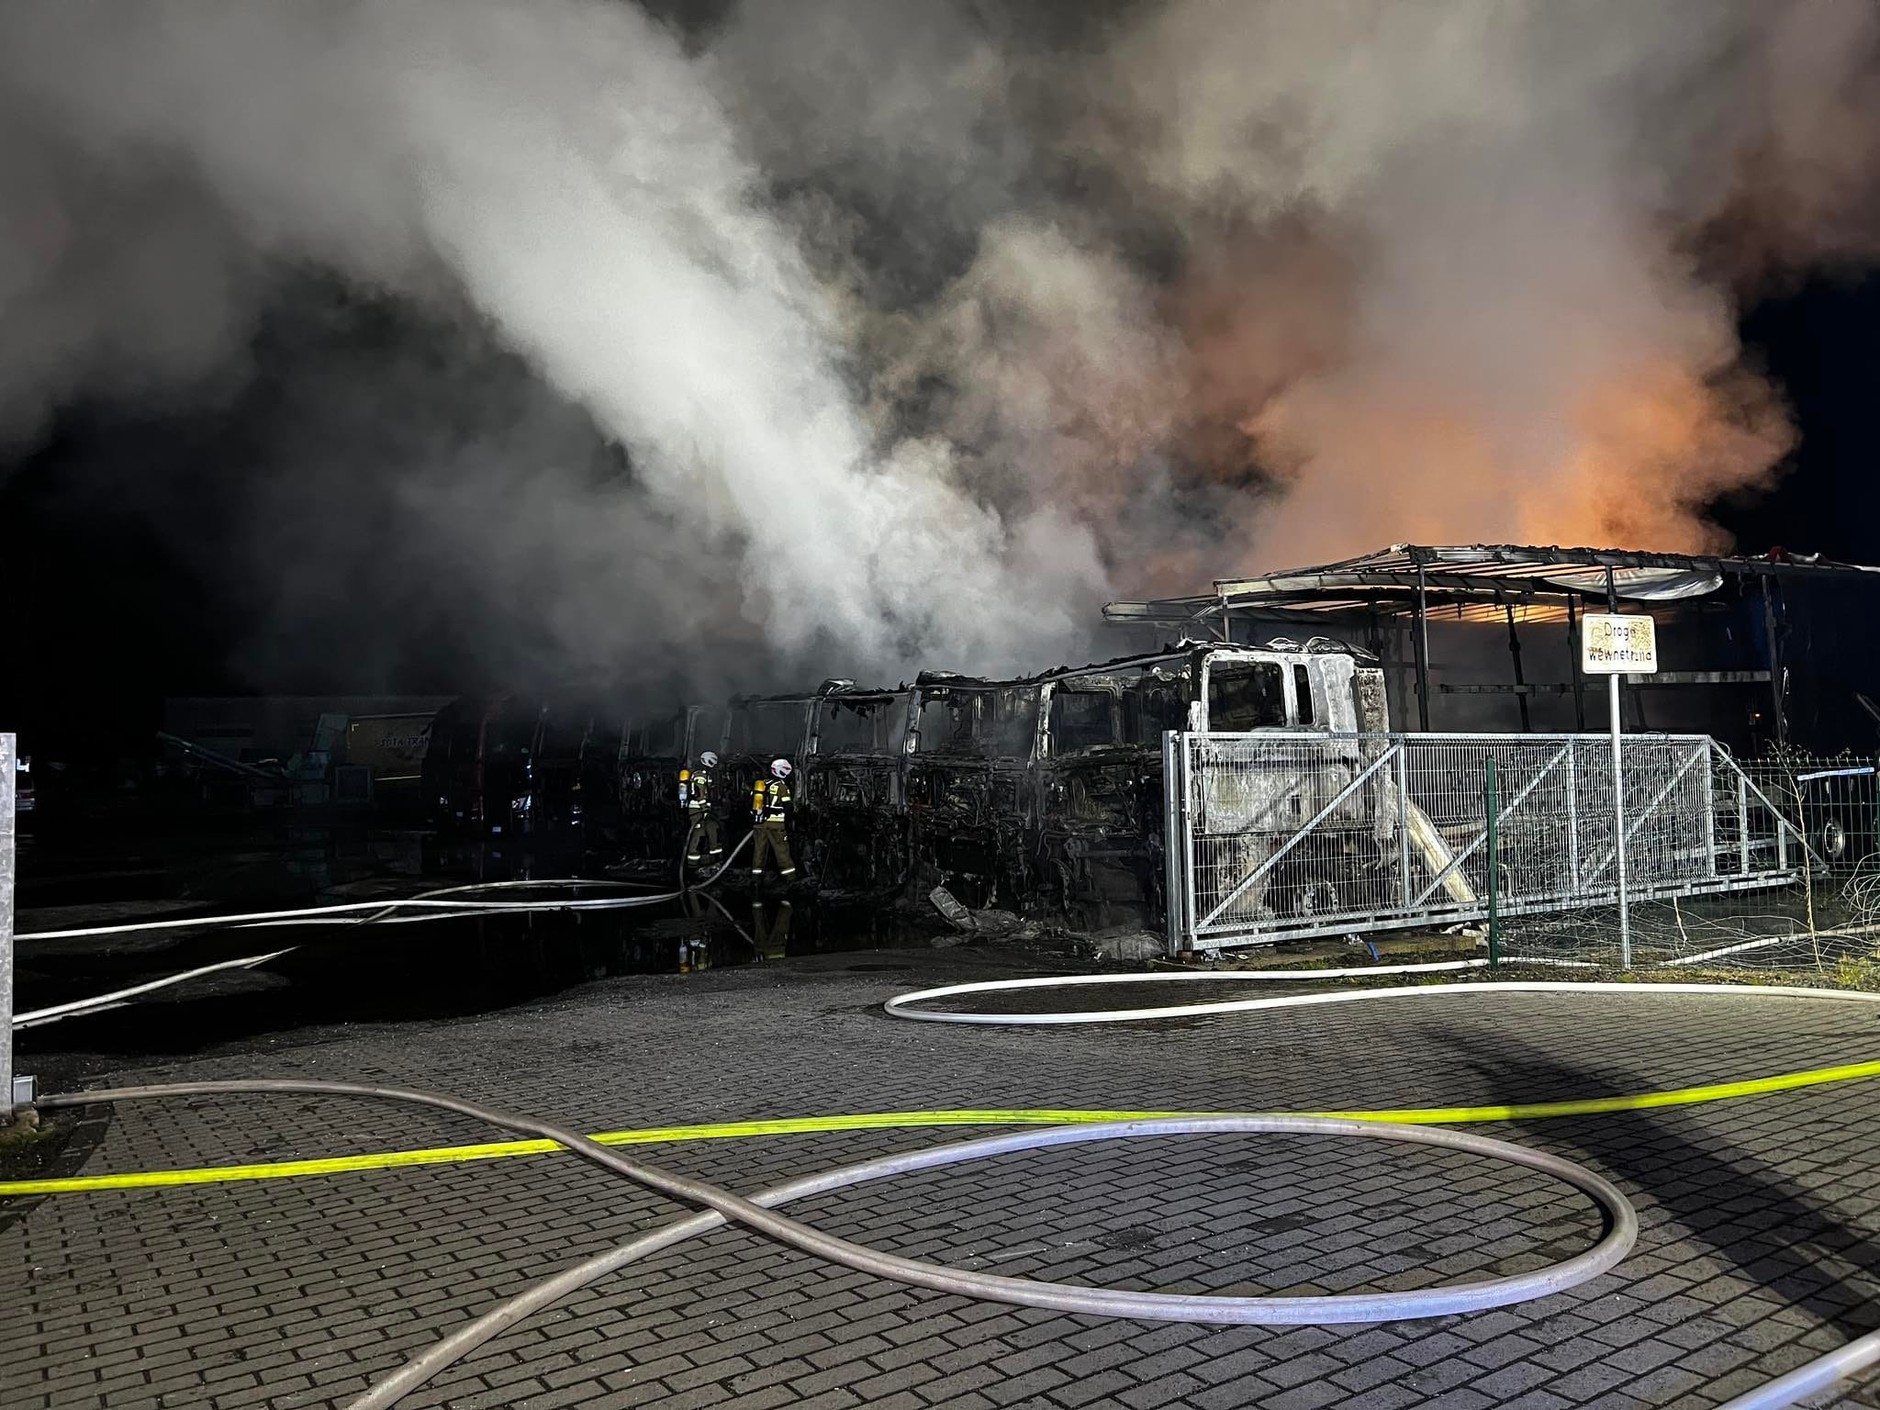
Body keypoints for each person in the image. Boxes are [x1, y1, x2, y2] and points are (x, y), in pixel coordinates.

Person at [750, 757, 797, 881]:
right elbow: (788, 807)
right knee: (782, 852)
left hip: (759, 824)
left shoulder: (761, 785)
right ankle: (790, 879)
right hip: (775, 825)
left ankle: (756, 879)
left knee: (759, 852)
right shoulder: (782, 787)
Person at [679, 750, 722, 867]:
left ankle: (716, 859)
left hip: (706, 811)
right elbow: (700, 794)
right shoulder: (700, 776)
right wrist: (704, 808)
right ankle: (692, 863)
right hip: (697, 811)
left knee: (714, 830)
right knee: (699, 834)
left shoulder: (705, 775)